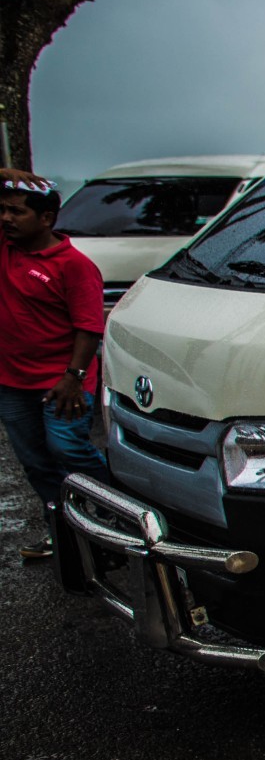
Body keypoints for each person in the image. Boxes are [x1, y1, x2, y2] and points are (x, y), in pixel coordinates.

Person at [0, 171, 113, 561]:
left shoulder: (73, 265)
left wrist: (73, 378)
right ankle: (63, 531)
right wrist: (7, 175)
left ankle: (117, 519)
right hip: (12, 383)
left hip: (63, 381)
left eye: (16, 211)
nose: (7, 219)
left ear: (46, 218)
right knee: (35, 462)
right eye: (3, 210)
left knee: (69, 450)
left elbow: (88, 328)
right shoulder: (6, 249)